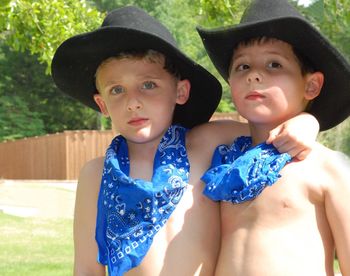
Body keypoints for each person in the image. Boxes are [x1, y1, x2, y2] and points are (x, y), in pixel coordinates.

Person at [51, 5, 320, 276]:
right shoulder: (96, 174)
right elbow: (86, 267)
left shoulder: (208, 143)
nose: (133, 102)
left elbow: (268, 130)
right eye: (117, 90)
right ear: (102, 103)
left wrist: (307, 122)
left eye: (148, 85)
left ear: (180, 91)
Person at [198, 0, 350, 275]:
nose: (255, 75)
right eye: (242, 67)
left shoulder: (328, 168)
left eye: (274, 64)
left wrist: (310, 120)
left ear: (312, 85)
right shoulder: (224, 161)